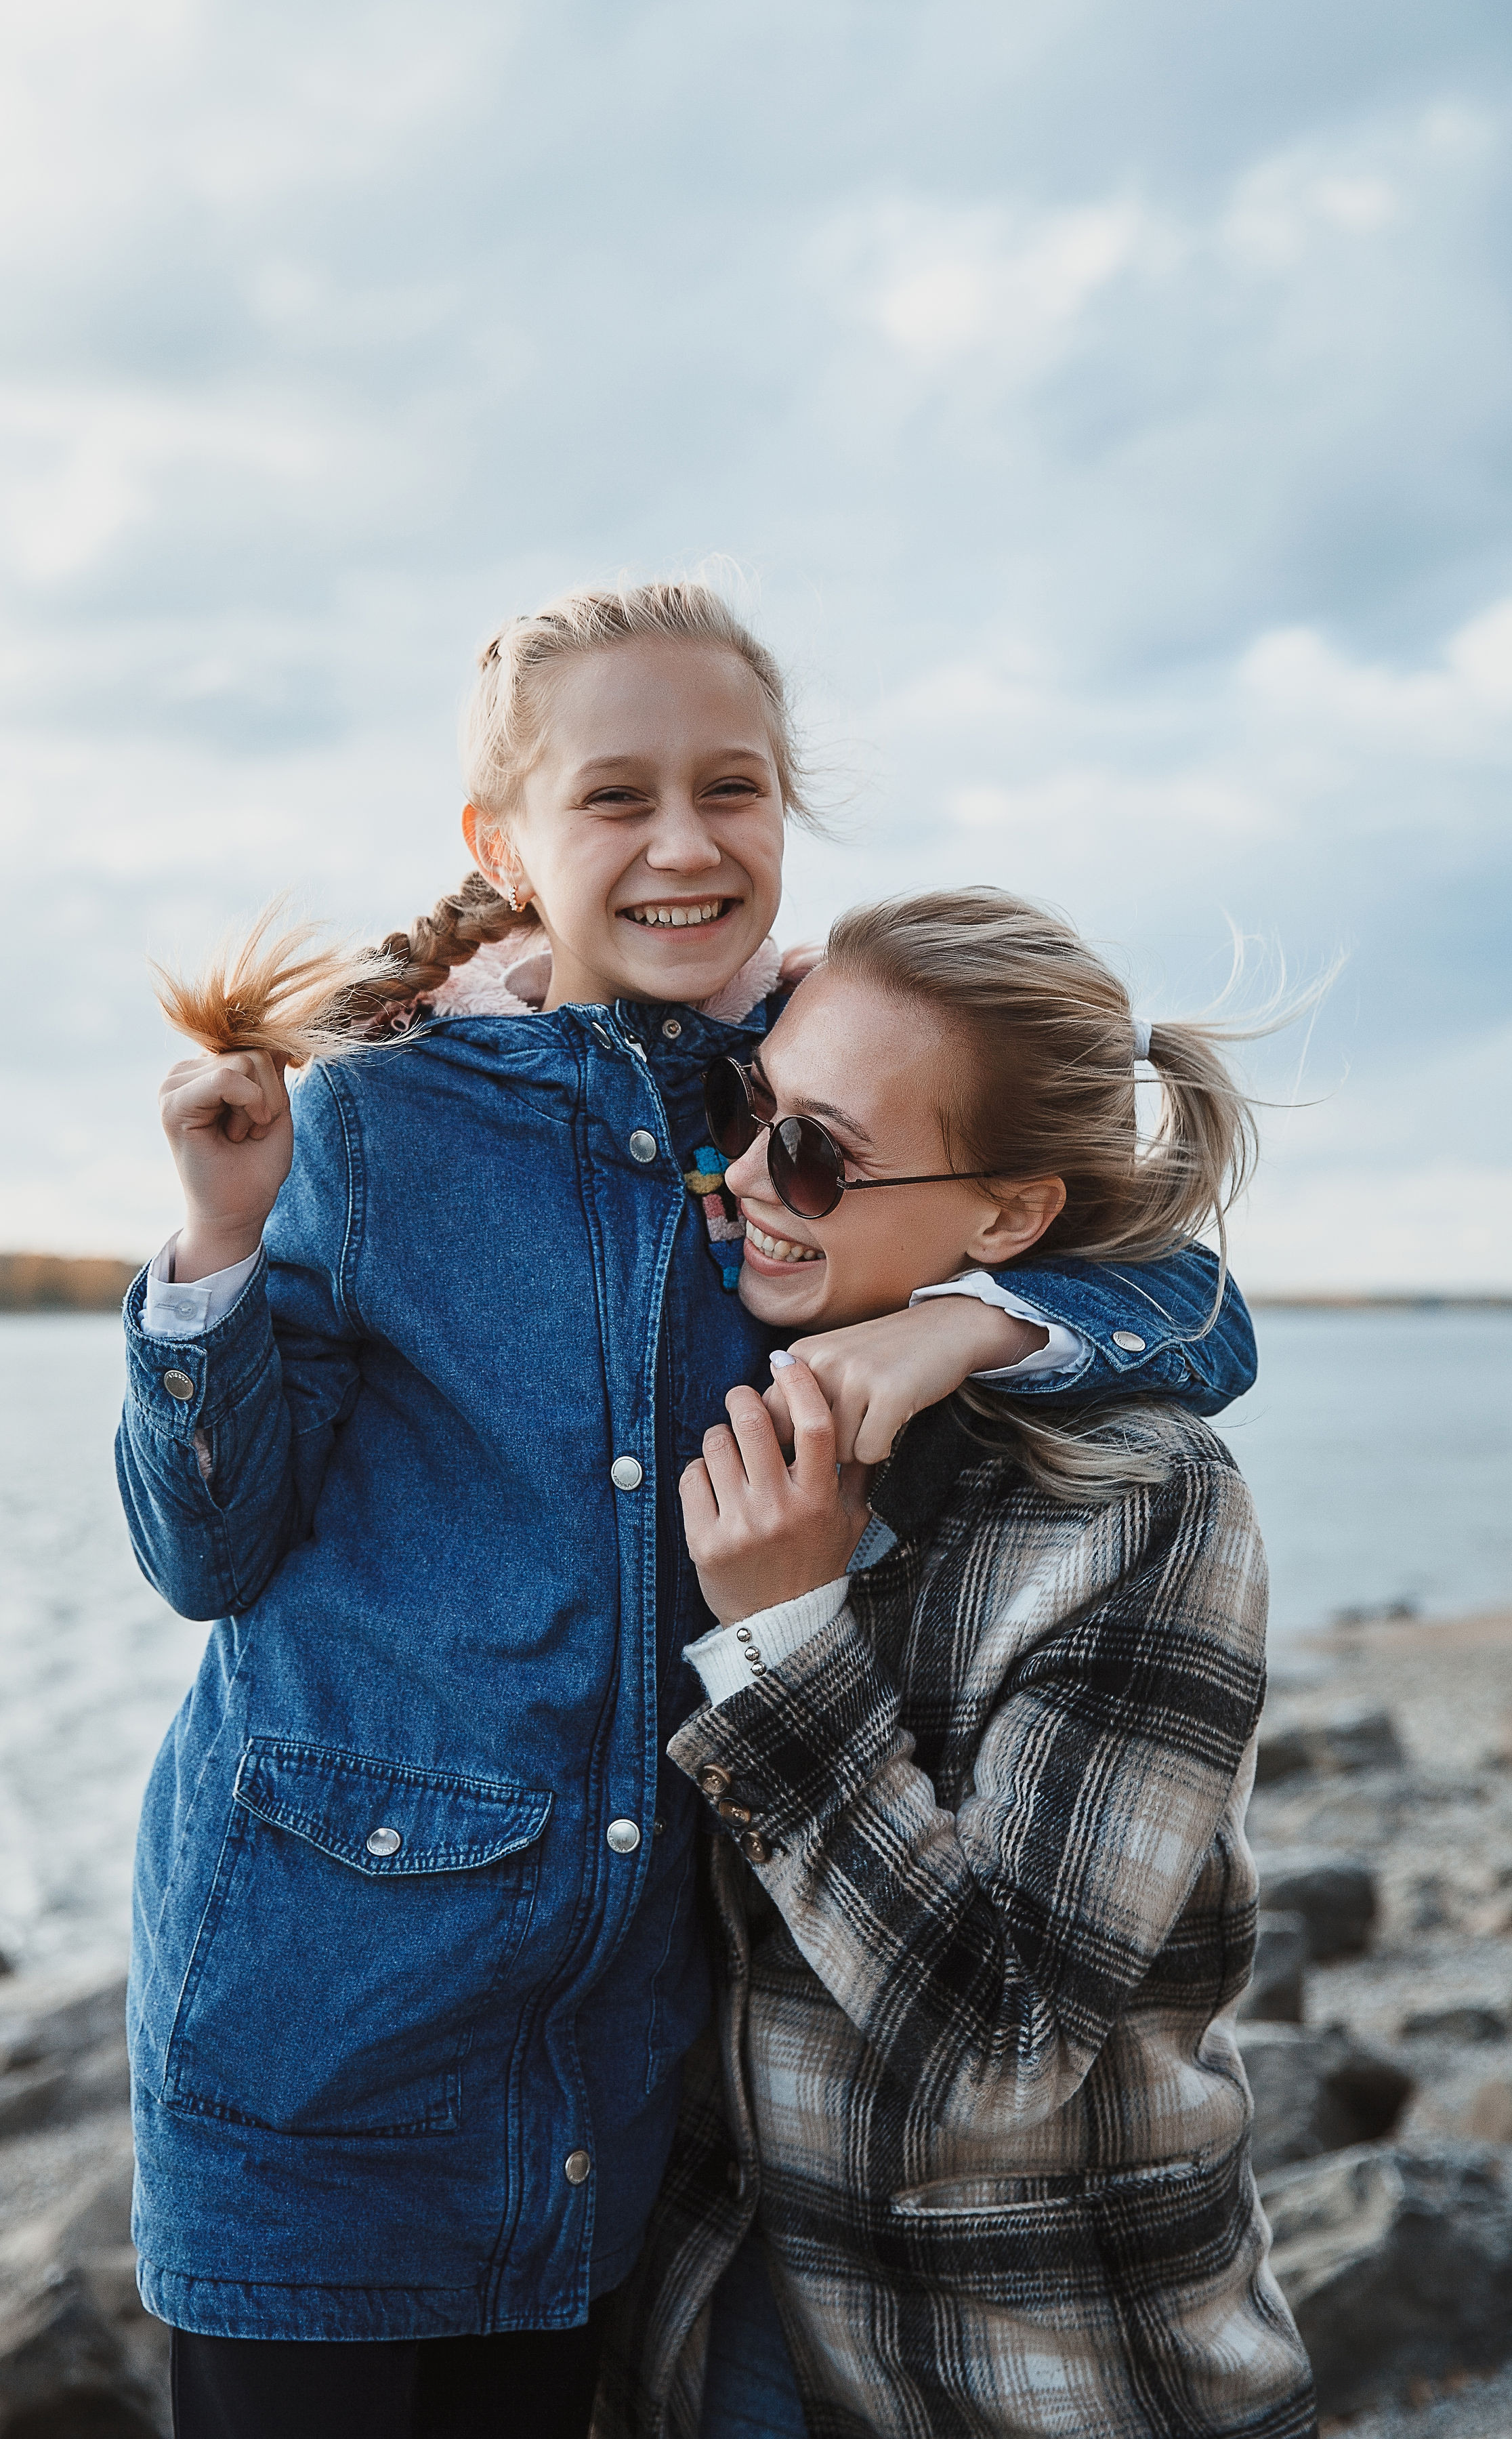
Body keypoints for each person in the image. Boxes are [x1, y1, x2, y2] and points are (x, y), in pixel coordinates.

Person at [114, 585, 1259, 2439]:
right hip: (316, 2048)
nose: (684, 843)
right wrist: (219, 1243)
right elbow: (204, 1553)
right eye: (614, 796)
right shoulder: (375, 1120)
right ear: (502, 844)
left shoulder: (796, 1082)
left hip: (613, 2073)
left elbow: (1192, 1301)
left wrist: (965, 1324)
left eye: (732, 787)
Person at [597, 887, 1316, 2439]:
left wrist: (782, 1639)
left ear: (1008, 1218)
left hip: (1042, 2371)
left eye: (816, 1152)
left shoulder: (1146, 1503)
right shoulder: (727, 1356)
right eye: (744, 1105)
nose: (740, 1174)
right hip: (730, 2324)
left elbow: (1004, 2047)